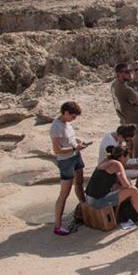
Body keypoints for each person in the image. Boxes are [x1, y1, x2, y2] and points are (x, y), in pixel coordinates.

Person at [84, 145, 138, 229]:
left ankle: (115, 216)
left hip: (89, 199)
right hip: (97, 202)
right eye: (127, 157)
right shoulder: (117, 165)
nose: (128, 159)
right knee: (133, 190)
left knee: (119, 187)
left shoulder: (106, 161)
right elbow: (127, 185)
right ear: (121, 157)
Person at [50, 101, 88, 236]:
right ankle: (57, 225)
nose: (74, 119)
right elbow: (57, 150)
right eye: (73, 116)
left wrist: (78, 142)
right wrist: (74, 148)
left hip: (76, 156)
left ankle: (85, 209)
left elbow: (70, 137)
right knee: (64, 193)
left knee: (79, 183)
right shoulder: (56, 127)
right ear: (65, 113)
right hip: (66, 161)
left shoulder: (67, 123)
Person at [111, 62, 138, 156]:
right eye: (126, 72)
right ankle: (137, 169)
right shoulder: (127, 90)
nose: (130, 74)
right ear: (119, 74)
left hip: (124, 120)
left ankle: (130, 168)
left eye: (130, 71)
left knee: (129, 149)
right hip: (136, 122)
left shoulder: (114, 85)